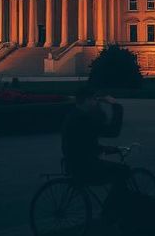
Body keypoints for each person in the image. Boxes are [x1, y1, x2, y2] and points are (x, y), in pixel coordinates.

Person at [62, 85, 128, 219]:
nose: (96, 102)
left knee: (115, 170)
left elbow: (85, 143)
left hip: (73, 164)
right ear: (86, 100)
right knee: (124, 171)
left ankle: (109, 211)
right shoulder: (85, 119)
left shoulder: (74, 116)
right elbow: (113, 131)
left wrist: (106, 149)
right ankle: (108, 213)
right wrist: (116, 106)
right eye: (94, 100)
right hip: (86, 168)